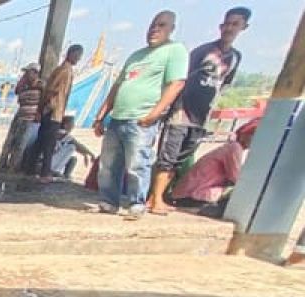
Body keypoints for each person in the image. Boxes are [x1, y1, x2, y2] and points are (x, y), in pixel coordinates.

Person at [149, 6, 250, 215]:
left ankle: (158, 196)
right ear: (221, 26)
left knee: (179, 159)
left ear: (243, 28)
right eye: (227, 24)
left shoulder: (235, 58)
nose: (229, 28)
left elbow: (223, 86)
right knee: (167, 156)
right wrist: (167, 107)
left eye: (235, 24)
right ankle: (154, 197)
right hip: (181, 111)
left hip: (201, 118)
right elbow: (179, 79)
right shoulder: (203, 51)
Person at [93, 10, 188, 219]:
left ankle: (136, 203)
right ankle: (109, 201)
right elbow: (117, 86)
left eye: (162, 25)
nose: (155, 29)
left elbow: (177, 83)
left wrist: (154, 114)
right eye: (153, 25)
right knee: (108, 164)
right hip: (118, 117)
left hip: (141, 119)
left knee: (137, 164)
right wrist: (100, 116)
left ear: (171, 29)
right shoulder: (136, 55)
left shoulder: (174, 50)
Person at [170, 118, 258, 214]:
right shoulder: (235, 148)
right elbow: (236, 179)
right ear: (245, 135)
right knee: (242, 191)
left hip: (185, 194)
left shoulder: (231, 147)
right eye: (253, 135)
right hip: (192, 195)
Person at [34, 44, 84, 180]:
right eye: (78, 56)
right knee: (48, 143)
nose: (78, 59)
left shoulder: (65, 70)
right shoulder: (64, 71)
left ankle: (31, 169)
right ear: (71, 54)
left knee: (41, 141)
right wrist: (43, 107)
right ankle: (45, 173)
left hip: (54, 110)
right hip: (53, 110)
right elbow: (51, 90)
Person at [0, 63, 42, 172]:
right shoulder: (24, 85)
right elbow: (17, 91)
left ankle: (13, 166)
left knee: (21, 143)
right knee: (10, 140)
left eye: (29, 72)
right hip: (20, 115)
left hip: (29, 118)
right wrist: (23, 80)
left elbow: (44, 99)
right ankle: (2, 164)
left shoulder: (40, 86)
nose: (26, 74)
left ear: (35, 73)